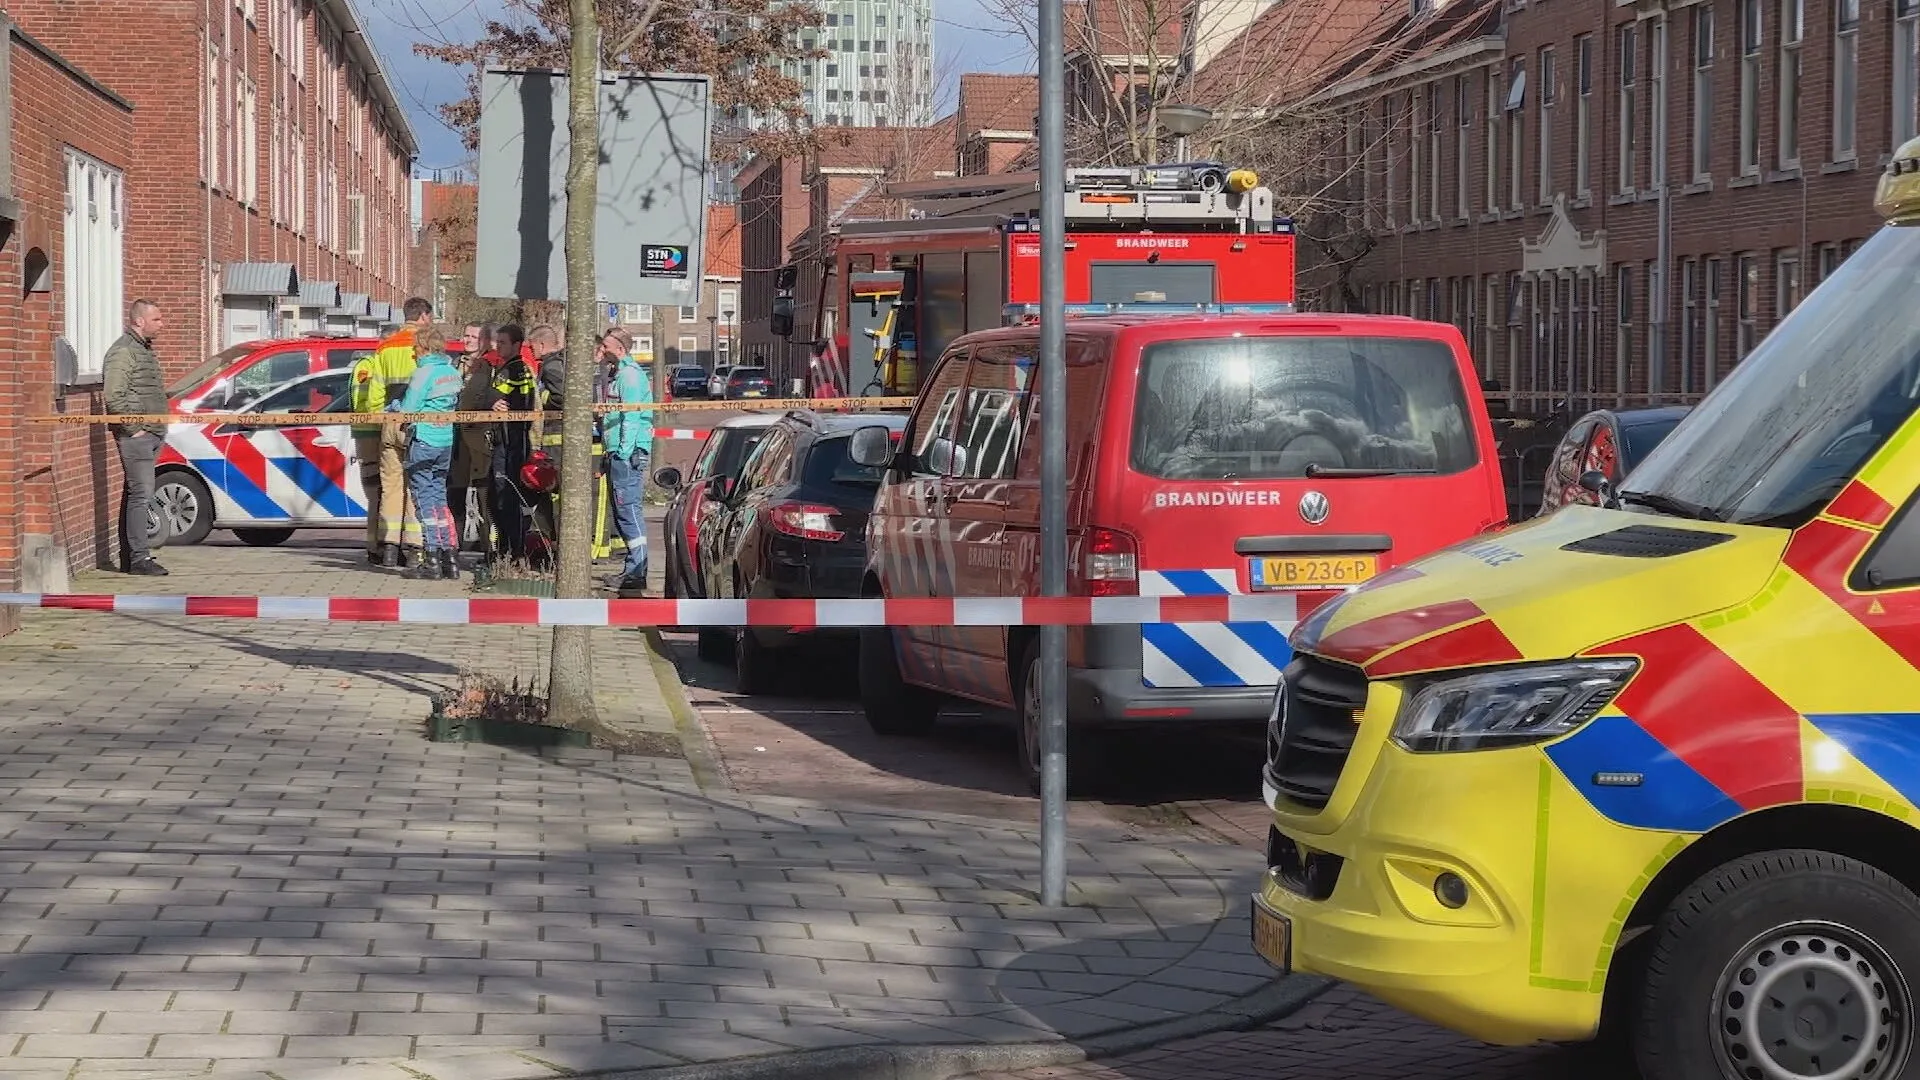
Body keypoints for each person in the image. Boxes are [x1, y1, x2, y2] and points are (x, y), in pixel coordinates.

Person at [353, 296, 432, 567]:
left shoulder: (385, 347)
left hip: (389, 424)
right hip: (419, 423)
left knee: (391, 487)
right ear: (423, 316)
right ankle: (414, 549)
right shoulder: (425, 345)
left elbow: (375, 394)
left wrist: (382, 421)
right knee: (415, 486)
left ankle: (389, 547)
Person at [102, 298, 169, 576]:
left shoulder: (143, 349)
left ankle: (131, 556)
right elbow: (113, 395)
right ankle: (139, 559)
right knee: (141, 494)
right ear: (139, 321)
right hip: (138, 435)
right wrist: (134, 429)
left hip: (151, 432)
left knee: (135, 494)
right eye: (156, 319)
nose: (161, 325)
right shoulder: (124, 351)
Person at [393, 327, 466, 580]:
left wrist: (395, 406)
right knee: (439, 498)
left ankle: (432, 558)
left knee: (424, 500)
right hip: (445, 440)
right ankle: (449, 557)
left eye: (415, 347)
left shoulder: (423, 373)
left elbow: (409, 409)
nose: (413, 353)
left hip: (424, 439)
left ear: (424, 348)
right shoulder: (451, 372)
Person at [599, 328, 654, 596]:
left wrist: (623, 451)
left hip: (627, 454)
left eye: (606, 346)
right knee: (623, 512)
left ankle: (636, 572)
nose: (602, 350)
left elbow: (630, 417)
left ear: (620, 349)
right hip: (618, 452)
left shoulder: (629, 376)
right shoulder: (619, 374)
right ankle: (632, 569)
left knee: (628, 510)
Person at [488, 323, 537, 566]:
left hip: (510, 442)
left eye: (503, 343)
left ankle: (512, 551)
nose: (498, 347)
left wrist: (489, 402)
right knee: (500, 497)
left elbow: (497, 396)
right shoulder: (512, 367)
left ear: (517, 345)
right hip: (509, 440)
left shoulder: (514, 369)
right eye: (497, 342)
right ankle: (508, 550)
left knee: (506, 497)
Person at [449, 323, 498, 557]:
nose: (468, 340)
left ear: (485, 341)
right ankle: (455, 542)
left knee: (484, 491)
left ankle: (489, 546)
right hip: (456, 436)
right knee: (455, 490)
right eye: (466, 335)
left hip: (481, 436)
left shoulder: (490, 366)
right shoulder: (455, 364)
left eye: (474, 336)